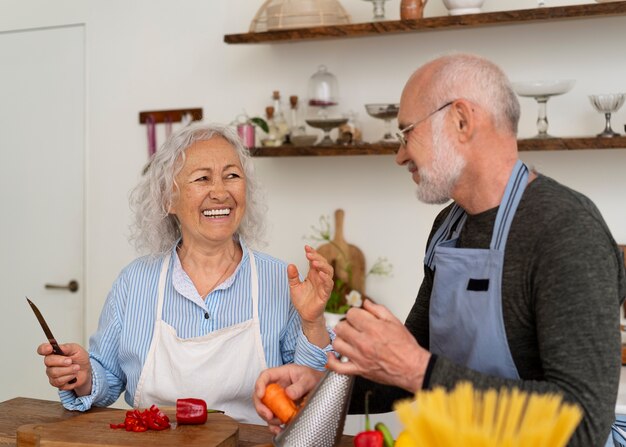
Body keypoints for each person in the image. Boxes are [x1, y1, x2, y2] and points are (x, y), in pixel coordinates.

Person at [254, 53, 626, 446]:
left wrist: (418, 368)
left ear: (461, 121)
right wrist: (325, 389)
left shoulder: (565, 229)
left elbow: (584, 424)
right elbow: (408, 370)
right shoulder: (449, 226)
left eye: (406, 133)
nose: (399, 155)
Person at [37, 122, 334, 424]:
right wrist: (83, 375)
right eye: (202, 178)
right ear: (169, 199)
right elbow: (108, 377)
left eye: (231, 176)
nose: (220, 192)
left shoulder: (279, 279)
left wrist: (313, 322)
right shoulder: (135, 281)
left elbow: (310, 397)